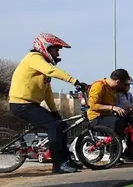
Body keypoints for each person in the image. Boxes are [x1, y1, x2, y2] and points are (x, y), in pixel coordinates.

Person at [8, 33, 86, 174]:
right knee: (54, 126)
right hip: (21, 104)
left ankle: (67, 159)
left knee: (60, 125)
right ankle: (58, 165)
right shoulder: (34, 58)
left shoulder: (41, 66)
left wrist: (55, 112)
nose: (57, 53)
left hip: (31, 104)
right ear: (45, 47)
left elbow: (47, 92)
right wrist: (74, 81)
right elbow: (51, 70)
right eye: (56, 50)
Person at [87, 69, 133, 158]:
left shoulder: (113, 89)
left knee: (132, 120)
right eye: (124, 84)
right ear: (118, 82)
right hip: (96, 117)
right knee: (118, 123)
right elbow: (92, 106)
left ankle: (130, 152)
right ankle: (113, 154)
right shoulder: (99, 86)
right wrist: (112, 108)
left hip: (108, 115)